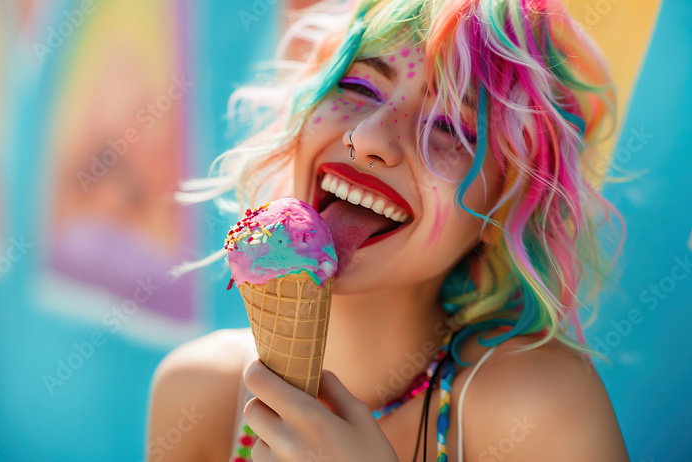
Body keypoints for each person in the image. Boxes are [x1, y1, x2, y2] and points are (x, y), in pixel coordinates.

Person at [148, 0, 628, 460]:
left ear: (502, 210)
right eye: (358, 88)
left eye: (450, 128)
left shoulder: (539, 407)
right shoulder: (198, 392)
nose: (369, 138)